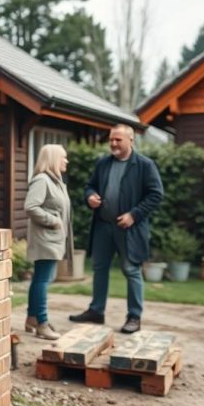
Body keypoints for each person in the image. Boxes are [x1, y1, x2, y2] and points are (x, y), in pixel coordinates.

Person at [69, 124, 163, 334]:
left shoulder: (145, 165)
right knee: (99, 268)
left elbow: (156, 194)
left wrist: (134, 215)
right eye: (111, 139)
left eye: (118, 140)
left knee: (131, 271)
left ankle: (134, 317)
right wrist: (90, 197)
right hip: (103, 226)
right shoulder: (103, 163)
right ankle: (96, 311)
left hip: (129, 229)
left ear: (131, 141)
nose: (113, 143)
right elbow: (89, 186)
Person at [23, 144, 73, 340]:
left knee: (41, 279)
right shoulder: (42, 180)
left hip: (52, 240)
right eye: (63, 157)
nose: (66, 161)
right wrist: (53, 220)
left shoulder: (56, 181)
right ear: (52, 159)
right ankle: (42, 323)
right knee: (43, 280)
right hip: (46, 240)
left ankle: (33, 318)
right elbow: (30, 206)